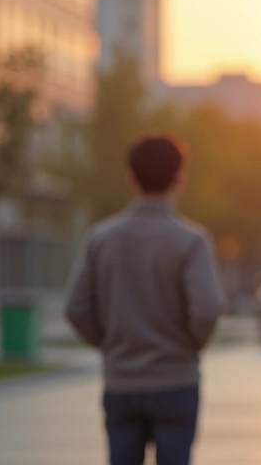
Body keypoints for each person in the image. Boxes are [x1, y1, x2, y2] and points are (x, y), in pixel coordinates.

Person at [64, 134, 224, 465]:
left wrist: (109, 342)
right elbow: (207, 311)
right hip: (176, 380)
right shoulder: (190, 241)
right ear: (180, 179)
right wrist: (189, 344)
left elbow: (76, 307)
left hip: (122, 382)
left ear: (131, 178)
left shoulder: (101, 238)